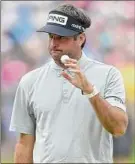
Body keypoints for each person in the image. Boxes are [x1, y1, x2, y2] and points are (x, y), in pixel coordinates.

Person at [9, 3, 128, 163]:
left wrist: (90, 91)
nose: (53, 44)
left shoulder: (109, 75)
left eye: (61, 37)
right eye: (51, 36)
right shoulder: (30, 81)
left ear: (80, 38)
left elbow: (118, 128)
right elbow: (24, 144)